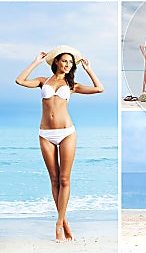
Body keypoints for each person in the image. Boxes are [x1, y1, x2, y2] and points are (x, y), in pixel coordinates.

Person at [15, 45, 104, 242]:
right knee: (53, 180)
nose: (67, 64)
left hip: (66, 133)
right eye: (64, 61)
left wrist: (89, 69)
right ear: (56, 61)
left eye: (70, 62)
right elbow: (19, 80)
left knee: (64, 180)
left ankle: (58, 224)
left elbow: (99, 88)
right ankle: (64, 223)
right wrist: (36, 61)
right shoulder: (42, 81)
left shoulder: (72, 85)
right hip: (45, 134)